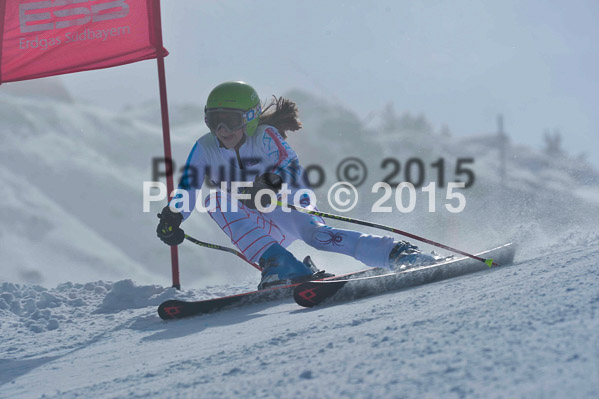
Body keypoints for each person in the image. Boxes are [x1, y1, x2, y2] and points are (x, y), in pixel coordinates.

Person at [156, 81, 436, 289]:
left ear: (250, 118)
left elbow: (287, 165)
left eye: (229, 121)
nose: (221, 131)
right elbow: (188, 186)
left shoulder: (265, 136)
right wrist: (174, 215)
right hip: (257, 223)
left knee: (319, 238)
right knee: (214, 200)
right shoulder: (205, 147)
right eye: (213, 122)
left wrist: (268, 184)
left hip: (287, 204)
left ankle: (396, 253)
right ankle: (279, 264)